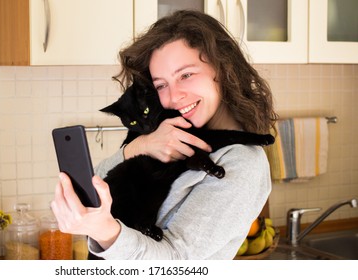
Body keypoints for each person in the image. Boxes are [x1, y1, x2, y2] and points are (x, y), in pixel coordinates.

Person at [51, 10, 277, 259]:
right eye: (161, 85)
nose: (173, 96)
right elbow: (105, 185)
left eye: (186, 75)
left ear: (223, 69)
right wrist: (138, 147)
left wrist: (105, 232)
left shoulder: (242, 163)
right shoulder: (167, 135)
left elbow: (176, 261)